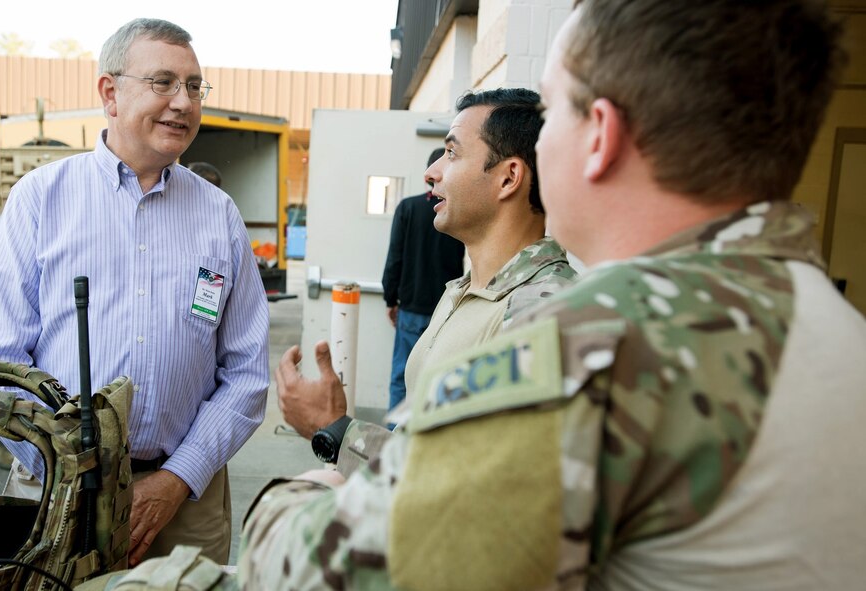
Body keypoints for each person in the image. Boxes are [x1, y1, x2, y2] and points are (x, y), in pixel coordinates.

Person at [238, 0, 866, 588]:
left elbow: (321, 568)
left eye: (555, 109)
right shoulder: (833, 326)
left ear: (601, 135)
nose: (541, 143)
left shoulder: (606, 342)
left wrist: (304, 493)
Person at [0, 19, 269, 567]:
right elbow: (1, 358)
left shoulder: (220, 216)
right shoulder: (41, 200)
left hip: (184, 501)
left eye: (194, 87)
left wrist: (176, 478)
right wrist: (64, 470)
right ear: (109, 93)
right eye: (163, 82)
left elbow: (246, 374)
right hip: (53, 496)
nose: (183, 102)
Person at [277, 88, 576, 473]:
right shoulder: (463, 292)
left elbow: (473, 483)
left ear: (508, 179)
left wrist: (335, 429)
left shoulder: (542, 310)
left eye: (452, 153)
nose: (432, 172)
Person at [382, 147, 466, 417]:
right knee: (436, 377)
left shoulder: (408, 207)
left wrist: (390, 299)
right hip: (445, 310)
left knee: (401, 375)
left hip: (410, 307)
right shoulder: (461, 212)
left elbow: (395, 257)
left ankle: (395, 436)